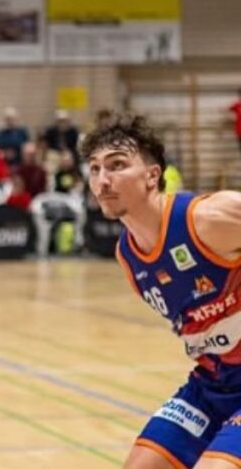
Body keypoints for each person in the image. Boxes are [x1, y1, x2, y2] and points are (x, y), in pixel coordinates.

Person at [81, 113, 241, 469]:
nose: (103, 180)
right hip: (211, 386)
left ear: (152, 175)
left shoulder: (208, 219)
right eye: (94, 169)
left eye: (117, 165)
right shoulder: (128, 255)